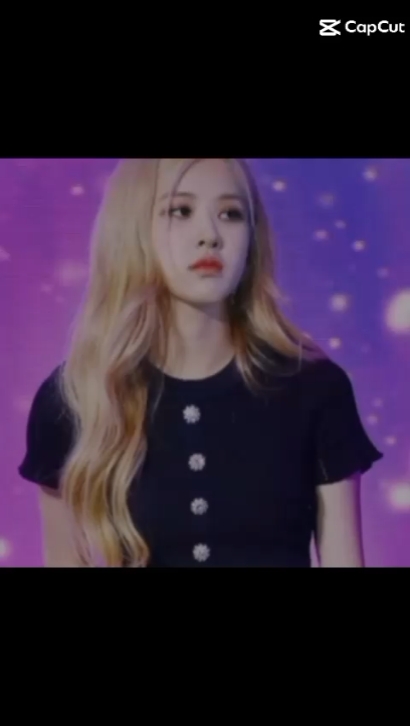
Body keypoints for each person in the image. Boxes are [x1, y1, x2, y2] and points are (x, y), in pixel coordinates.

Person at [18, 158, 383, 567]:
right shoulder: (76, 399)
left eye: (231, 214)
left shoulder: (314, 389)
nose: (209, 235)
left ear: (253, 237)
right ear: (133, 228)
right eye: (181, 211)